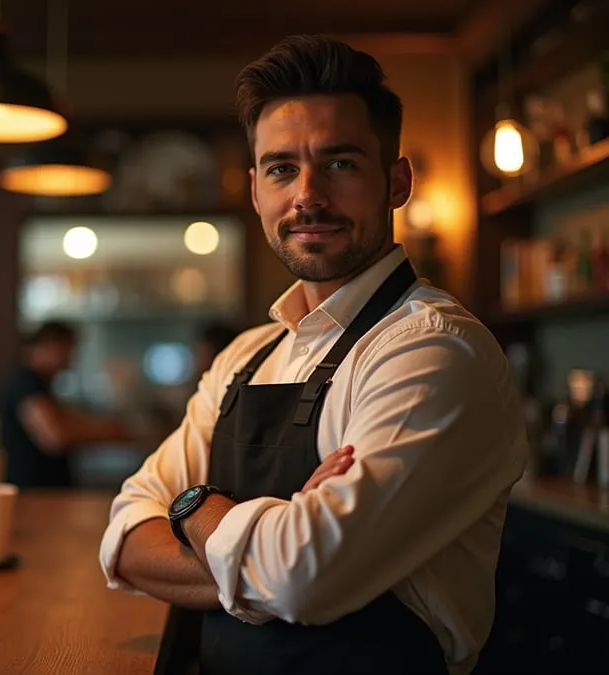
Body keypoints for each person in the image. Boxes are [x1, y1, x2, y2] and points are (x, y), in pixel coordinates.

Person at [99, 35, 528, 675]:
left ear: (397, 181)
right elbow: (126, 537)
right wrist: (267, 549)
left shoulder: (432, 351)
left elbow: (300, 579)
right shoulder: (247, 355)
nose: (307, 195)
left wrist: (193, 507)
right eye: (281, 168)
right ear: (254, 189)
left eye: (341, 163)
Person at [0, 321, 128, 488]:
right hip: (36, 492)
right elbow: (54, 436)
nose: (72, 358)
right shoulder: (26, 382)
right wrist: (111, 431)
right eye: (69, 350)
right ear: (51, 345)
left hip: (41, 491)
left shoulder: (37, 382)